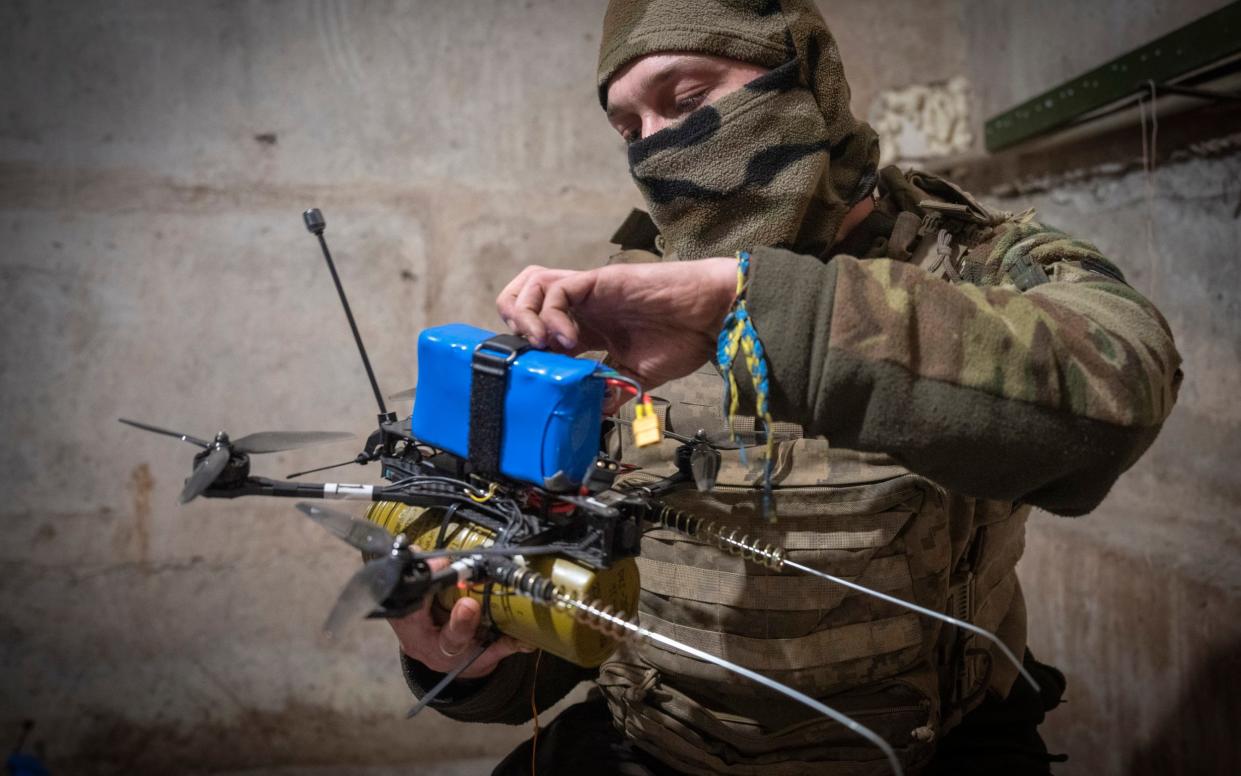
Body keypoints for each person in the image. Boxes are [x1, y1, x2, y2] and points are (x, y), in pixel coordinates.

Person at [388, 2, 1183, 774]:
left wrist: (752, 309)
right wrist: (465, 654)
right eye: (629, 130)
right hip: (651, 746)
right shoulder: (624, 315)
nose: (657, 150)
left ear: (807, 77)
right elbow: (571, 632)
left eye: (688, 100)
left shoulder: (968, 262)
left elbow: (1121, 388)